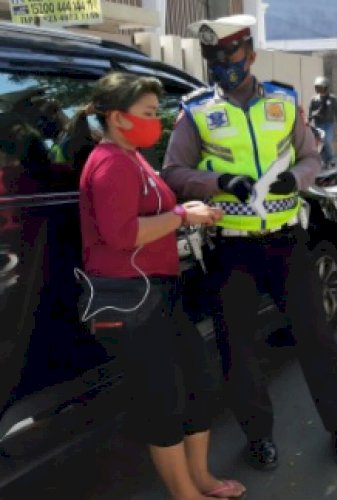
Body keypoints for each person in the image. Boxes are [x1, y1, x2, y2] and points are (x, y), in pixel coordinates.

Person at [161, 15, 337, 470]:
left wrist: (299, 177)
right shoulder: (195, 111)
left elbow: (312, 154)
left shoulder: (286, 102)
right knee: (238, 349)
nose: (224, 68)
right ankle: (258, 437)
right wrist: (218, 180)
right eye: (215, 60)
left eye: (231, 57)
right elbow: (173, 173)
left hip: (287, 243)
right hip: (231, 249)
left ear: (249, 55)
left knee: (316, 341)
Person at [76, 72, 245, 499]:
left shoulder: (133, 156)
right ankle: (185, 493)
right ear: (117, 117)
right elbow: (121, 234)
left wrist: (184, 209)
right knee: (162, 400)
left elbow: (154, 212)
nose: (157, 121)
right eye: (149, 113)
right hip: (131, 296)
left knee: (198, 384)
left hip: (160, 291)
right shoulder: (111, 162)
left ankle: (201, 479)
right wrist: (183, 218)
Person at [308, 76, 337, 167]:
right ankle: (325, 161)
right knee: (320, 142)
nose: (319, 89)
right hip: (318, 124)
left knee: (327, 140)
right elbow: (310, 113)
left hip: (329, 124)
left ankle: (330, 158)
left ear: (326, 87)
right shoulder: (313, 99)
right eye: (318, 87)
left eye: (321, 87)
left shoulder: (332, 99)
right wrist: (308, 121)